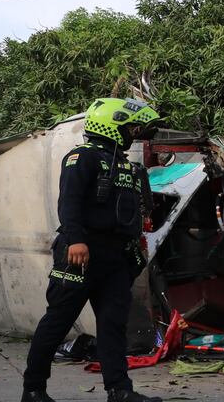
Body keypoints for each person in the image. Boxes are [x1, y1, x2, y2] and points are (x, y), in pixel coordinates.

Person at [22, 98, 163, 402]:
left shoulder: (126, 165)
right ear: (112, 125)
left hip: (116, 258)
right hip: (81, 252)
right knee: (58, 321)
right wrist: (75, 239)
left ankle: (120, 392)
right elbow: (68, 202)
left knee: (113, 325)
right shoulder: (81, 158)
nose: (133, 133)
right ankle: (33, 390)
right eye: (129, 127)